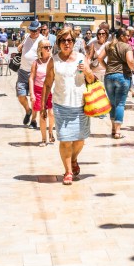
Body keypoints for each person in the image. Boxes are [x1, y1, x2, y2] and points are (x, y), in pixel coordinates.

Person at [40, 27, 94, 186]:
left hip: (80, 104)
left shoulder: (81, 58)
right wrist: (43, 105)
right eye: (63, 40)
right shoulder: (53, 60)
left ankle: (74, 159)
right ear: (58, 43)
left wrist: (87, 71)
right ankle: (68, 171)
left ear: (73, 42)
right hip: (61, 105)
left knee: (80, 140)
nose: (66, 43)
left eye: (69, 40)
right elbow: (47, 84)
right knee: (65, 140)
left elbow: (91, 79)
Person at [104, 26, 134, 139]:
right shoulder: (127, 46)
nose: (129, 37)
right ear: (122, 36)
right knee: (120, 104)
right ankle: (117, 132)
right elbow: (130, 60)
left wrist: (107, 67)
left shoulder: (109, 45)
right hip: (122, 76)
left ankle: (113, 129)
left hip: (108, 77)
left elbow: (99, 58)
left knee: (112, 104)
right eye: (127, 35)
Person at [16, 21, 45, 127]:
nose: (33, 32)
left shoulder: (42, 40)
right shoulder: (27, 36)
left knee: (34, 98)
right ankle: (28, 111)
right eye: (31, 30)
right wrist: (19, 46)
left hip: (36, 73)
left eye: (35, 30)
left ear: (39, 29)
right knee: (21, 95)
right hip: (23, 71)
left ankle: (33, 120)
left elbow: (46, 55)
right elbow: (21, 46)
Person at [28, 40, 55, 145]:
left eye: (49, 46)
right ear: (41, 49)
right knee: (42, 115)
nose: (48, 48)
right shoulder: (36, 62)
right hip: (39, 91)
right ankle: (44, 139)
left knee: (51, 114)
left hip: (51, 90)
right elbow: (31, 78)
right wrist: (32, 94)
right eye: (46, 47)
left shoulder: (53, 61)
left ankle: (51, 132)